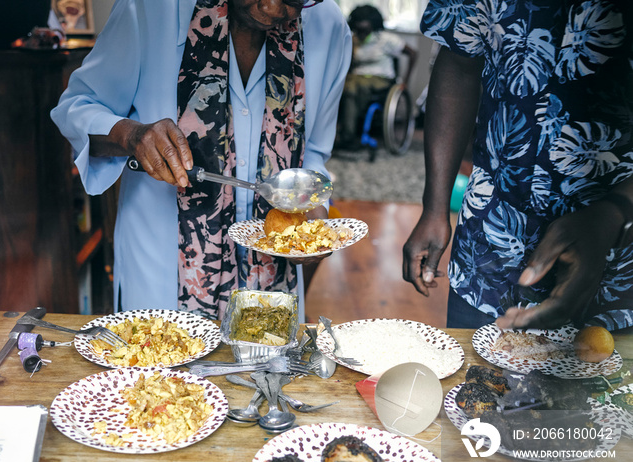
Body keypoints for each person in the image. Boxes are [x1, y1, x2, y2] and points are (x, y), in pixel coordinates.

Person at [51, 0, 352, 320]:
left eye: (294, 0)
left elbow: (314, 153)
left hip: (271, 289)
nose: (273, 8)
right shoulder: (150, 7)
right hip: (163, 276)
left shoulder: (328, 26)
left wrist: (312, 229)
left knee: (264, 368)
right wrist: (131, 135)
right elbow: (77, 108)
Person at [402, 0, 633, 331]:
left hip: (616, 259)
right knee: (478, 378)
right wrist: (435, 206)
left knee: (604, 379)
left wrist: (616, 210)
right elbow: (457, 62)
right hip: (489, 239)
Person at [336, 4, 417, 150]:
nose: (361, 33)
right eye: (358, 29)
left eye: (364, 30)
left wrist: (405, 81)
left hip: (380, 78)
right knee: (341, 86)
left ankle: (348, 135)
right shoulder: (353, 40)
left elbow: (412, 54)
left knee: (353, 87)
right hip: (356, 77)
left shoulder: (386, 39)